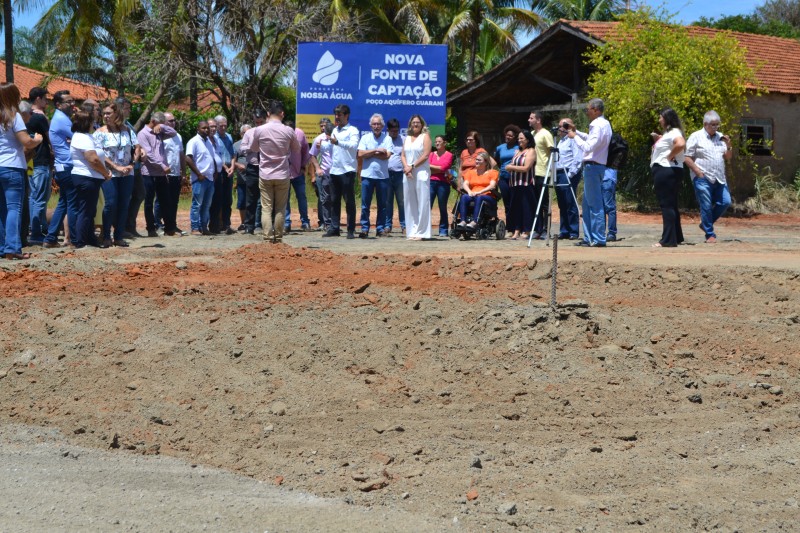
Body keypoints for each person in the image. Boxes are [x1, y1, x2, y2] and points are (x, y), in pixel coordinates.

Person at [240, 101, 300, 243]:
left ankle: (267, 237)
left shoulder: (260, 130)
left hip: (265, 173)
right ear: (282, 114)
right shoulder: (288, 130)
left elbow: (254, 148)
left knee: (266, 207)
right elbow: (297, 149)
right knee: (280, 207)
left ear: (268, 114)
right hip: (282, 173)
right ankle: (278, 237)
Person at [0, 82, 42, 259]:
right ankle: (13, 248)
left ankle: (3, 248)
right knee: (14, 209)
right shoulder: (14, 116)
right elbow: (26, 141)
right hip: (12, 166)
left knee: (2, 211)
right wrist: (38, 139)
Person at [566, 98, 612, 247]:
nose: (587, 112)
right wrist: (576, 132)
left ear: (596, 110)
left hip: (592, 166)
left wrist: (574, 138)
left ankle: (598, 238)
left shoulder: (596, 125)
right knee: (587, 204)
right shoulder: (605, 124)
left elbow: (587, 146)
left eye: (588, 109)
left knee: (595, 204)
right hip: (596, 166)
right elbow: (592, 140)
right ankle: (588, 237)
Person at [93, 103, 139, 247]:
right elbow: (98, 153)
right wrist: (115, 166)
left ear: (117, 114)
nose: (105, 116)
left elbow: (137, 147)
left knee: (124, 204)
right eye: (104, 113)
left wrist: (132, 163)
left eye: (108, 113)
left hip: (127, 173)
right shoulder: (99, 132)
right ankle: (106, 235)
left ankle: (119, 236)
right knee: (110, 203)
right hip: (109, 173)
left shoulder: (128, 131)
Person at [684, 110, 733, 243]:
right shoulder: (696, 136)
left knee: (726, 201)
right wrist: (698, 172)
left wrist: (728, 145)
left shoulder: (720, 137)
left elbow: (727, 157)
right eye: (713, 125)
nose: (716, 127)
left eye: (717, 124)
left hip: (719, 177)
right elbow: (687, 158)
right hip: (702, 177)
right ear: (705, 124)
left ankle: (706, 223)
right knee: (705, 204)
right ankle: (710, 234)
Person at [69, 110, 113, 248]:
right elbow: (93, 159)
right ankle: (81, 242)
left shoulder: (86, 136)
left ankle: (89, 239)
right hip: (86, 177)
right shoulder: (82, 137)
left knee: (90, 210)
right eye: (93, 121)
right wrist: (105, 173)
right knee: (86, 211)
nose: (94, 123)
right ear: (87, 122)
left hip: (90, 177)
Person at [43, 90, 77, 249]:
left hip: (63, 165)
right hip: (67, 165)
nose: (72, 104)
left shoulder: (61, 118)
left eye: (73, 101)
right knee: (72, 202)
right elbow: (79, 136)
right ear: (58, 104)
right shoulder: (62, 120)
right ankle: (73, 239)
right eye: (68, 102)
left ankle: (50, 238)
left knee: (64, 202)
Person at [138, 111, 179, 237]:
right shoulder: (142, 134)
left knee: (166, 200)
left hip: (161, 174)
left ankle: (169, 229)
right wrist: (163, 166)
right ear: (153, 121)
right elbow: (148, 154)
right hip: (149, 173)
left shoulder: (160, 132)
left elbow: (173, 132)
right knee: (149, 202)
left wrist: (162, 127)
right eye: (160, 123)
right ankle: (151, 228)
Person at [650, 107, 686, 248]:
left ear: (667, 118)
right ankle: (676, 236)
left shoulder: (674, 132)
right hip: (672, 170)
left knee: (666, 205)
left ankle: (667, 240)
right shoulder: (670, 133)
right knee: (672, 204)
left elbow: (681, 144)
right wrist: (660, 140)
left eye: (661, 117)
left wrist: (669, 156)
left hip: (666, 170)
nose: (659, 120)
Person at [324, 104, 359, 239]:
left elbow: (353, 146)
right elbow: (332, 146)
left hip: (347, 170)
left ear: (346, 115)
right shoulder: (334, 130)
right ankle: (334, 228)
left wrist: (337, 142)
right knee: (334, 200)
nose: (337, 117)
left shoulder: (353, 130)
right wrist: (325, 144)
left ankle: (350, 230)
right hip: (335, 170)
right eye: (336, 114)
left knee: (349, 201)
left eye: (339, 115)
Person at [356, 113, 392, 238]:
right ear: (370, 125)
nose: (376, 126)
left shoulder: (387, 139)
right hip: (367, 175)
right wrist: (376, 151)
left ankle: (380, 228)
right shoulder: (365, 138)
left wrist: (369, 153)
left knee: (382, 205)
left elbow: (387, 155)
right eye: (374, 124)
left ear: (382, 125)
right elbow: (360, 154)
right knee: (365, 205)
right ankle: (365, 228)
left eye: (378, 124)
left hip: (382, 177)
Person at [26, 87, 52, 245]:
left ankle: (37, 228)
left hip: (30, 161)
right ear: (38, 99)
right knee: (40, 198)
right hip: (41, 161)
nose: (46, 102)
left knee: (33, 196)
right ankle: (37, 231)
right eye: (45, 99)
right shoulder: (39, 117)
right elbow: (50, 138)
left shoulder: (26, 116)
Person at [401, 114, 432, 241]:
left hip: (421, 172)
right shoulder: (407, 138)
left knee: (423, 202)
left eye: (418, 122)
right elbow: (402, 155)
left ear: (422, 124)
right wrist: (406, 167)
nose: (415, 124)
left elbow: (425, 155)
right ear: (410, 124)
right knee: (409, 202)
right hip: (408, 173)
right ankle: (412, 231)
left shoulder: (425, 137)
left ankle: (422, 232)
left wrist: (412, 166)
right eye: (413, 122)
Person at [185, 121, 219, 235]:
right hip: (199, 179)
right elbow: (188, 158)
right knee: (197, 204)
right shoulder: (193, 142)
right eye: (204, 128)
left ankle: (203, 227)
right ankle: (195, 228)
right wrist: (198, 174)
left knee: (206, 205)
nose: (207, 130)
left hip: (209, 178)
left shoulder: (208, 141)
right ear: (198, 128)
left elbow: (212, 157)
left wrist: (215, 171)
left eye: (208, 128)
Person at [504, 129, 536, 240]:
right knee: (516, 207)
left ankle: (526, 230)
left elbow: (526, 168)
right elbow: (513, 163)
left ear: (528, 140)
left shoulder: (531, 151)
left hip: (525, 183)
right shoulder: (517, 151)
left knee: (526, 207)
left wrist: (511, 167)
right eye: (518, 138)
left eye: (521, 138)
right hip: (514, 183)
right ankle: (516, 230)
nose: (519, 140)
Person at [554, 118, 583, 240]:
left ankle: (573, 231)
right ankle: (564, 230)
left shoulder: (573, 139)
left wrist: (571, 174)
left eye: (564, 126)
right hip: (559, 173)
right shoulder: (560, 141)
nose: (561, 128)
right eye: (560, 126)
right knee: (562, 203)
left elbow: (577, 157)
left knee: (570, 201)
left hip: (569, 173)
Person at [239, 108, 267, 234]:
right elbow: (242, 149)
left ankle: (266, 225)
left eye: (261, 122)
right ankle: (249, 226)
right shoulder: (249, 133)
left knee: (267, 199)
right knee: (251, 198)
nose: (259, 125)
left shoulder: (270, 132)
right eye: (257, 122)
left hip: (267, 167)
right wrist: (253, 147)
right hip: (253, 168)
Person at [528, 111, 554, 239]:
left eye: (531, 118)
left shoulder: (545, 134)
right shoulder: (532, 134)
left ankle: (545, 229)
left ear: (538, 120)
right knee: (535, 202)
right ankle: (537, 228)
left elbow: (552, 152)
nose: (529, 120)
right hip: (532, 172)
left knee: (543, 203)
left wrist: (551, 170)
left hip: (542, 172)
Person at [456, 152, 498, 229]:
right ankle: (463, 221)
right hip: (474, 194)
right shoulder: (470, 172)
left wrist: (480, 192)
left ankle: (475, 221)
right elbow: (465, 184)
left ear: (485, 162)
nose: (476, 161)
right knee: (464, 197)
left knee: (480, 197)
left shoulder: (493, 172)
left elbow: (492, 185)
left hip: (488, 196)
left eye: (479, 160)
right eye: (476, 160)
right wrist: (469, 191)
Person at [284, 121, 311, 232]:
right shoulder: (281, 134)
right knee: (285, 199)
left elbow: (306, 150)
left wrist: (303, 166)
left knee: (301, 197)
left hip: (297, 172)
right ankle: (286, 223)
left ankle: (305, 222)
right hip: (284, 172)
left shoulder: (300, 133)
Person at [161, 112, 186, 235]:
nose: (173, 123)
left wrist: (184, 172)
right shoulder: (161, 136)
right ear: (164, 122)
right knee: (162, 201)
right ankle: (159, 224)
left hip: (176, 173)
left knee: (174, 201)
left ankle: (172, 225)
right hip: (165, 173)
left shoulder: (178, 136)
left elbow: (181, 155)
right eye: (170, 121)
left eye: (174, 120)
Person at [211, 115, 236, 234]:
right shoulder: (214, 138)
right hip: (219, 171)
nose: (223, 127)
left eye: (225, 125)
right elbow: (217, 155)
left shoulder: (229, 137)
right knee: (218, 198)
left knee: (228, 199)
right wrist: (225, 168)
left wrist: (232, 166)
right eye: (221, 125)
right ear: (216, 125)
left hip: (229, 170)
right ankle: (217, 223)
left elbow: (233, 153)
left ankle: (227, 224)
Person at [309, 118, 333, 231]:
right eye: (322, 126)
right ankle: (323, 222)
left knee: (333, 198)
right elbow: (312, 156)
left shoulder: (335, 137)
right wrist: (315, 173)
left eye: (325, 125)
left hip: (335, 173)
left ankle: (333, 221)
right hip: (322, 173)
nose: (323, 128)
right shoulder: (317, 139)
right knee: (323, 198)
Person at [428, 135, 454, 237]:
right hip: (430, 182)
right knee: (427, 206)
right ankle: (425, 229)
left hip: (443, 183)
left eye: (439, 142)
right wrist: (438, 169)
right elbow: (428, 167)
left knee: (442, 207)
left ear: (445, 143)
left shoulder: (449, 155)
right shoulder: (431, 154)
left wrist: (433, 168)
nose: (437, 143)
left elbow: (444, 168)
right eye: (436, 142)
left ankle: (443, 229)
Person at [385, 118, 405, 235]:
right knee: (388, 202)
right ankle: (388, 225)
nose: (395, 133)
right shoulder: (384, 140)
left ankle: (404, 225)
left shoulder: (404, 140)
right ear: (388, 130)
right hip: (386, 174)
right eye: (392, 131)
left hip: (400, 174)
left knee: (401, 201)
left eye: (396, 131)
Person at [493, 124, 520, 212]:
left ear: (515, 137)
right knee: (506, 201)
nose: (508, 137)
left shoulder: (519, 147)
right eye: (507, 135)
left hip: (515, 177)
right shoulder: (500, 148)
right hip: (503, 178)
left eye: (510, 136)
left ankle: (516, 222)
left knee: (515, 201)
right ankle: (509, 223)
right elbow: (495, 160)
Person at [233, 123, 250, 231]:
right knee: (242, 201)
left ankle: (254, 222)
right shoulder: (236, 145)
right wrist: (239, 165)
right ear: (241, 134)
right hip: (242, 179)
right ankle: (243, 223)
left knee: (254, 201)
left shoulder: (256, 144)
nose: (247, 134)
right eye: (245, 132)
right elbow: (232, 161)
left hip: (255, 178)